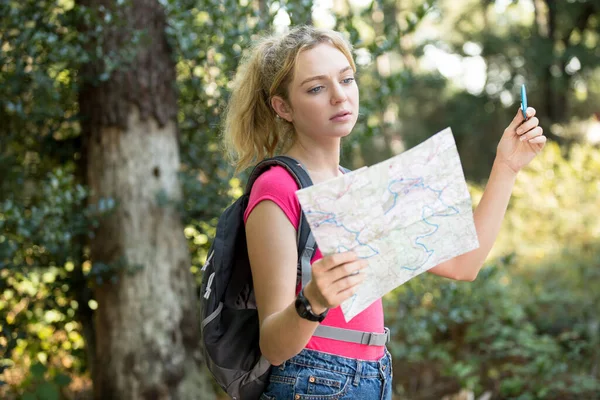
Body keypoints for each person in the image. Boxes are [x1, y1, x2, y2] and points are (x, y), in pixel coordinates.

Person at [222, 25, 546, 400]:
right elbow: (274, 346)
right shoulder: (278, 186)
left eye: (346, 79)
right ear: (283, 107)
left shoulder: (357, 185)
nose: (340, 96)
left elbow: (464, 264)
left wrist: (506, 166)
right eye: (316, 88)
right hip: (313, 382)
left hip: (374, 377)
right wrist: (313, 301)